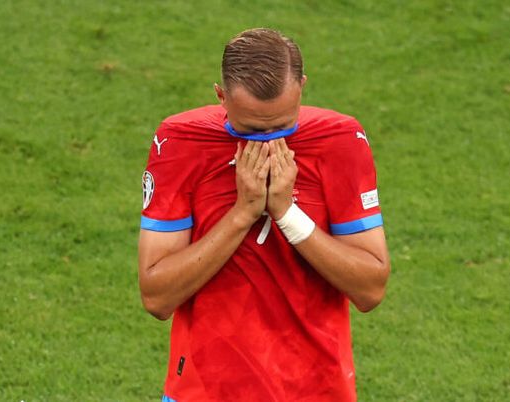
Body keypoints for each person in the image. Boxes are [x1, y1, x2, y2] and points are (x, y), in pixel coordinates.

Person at [138, 28, 390, 401]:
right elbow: (157, 297)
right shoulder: (181, 142)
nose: (271, 142)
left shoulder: (340, 142)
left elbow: (370, 288)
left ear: (302, 87)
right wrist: (242, 213)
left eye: (284, 125)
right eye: (253, 130)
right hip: (205, 391)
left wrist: (287, 213)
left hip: (318, 390)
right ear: (222, 96)